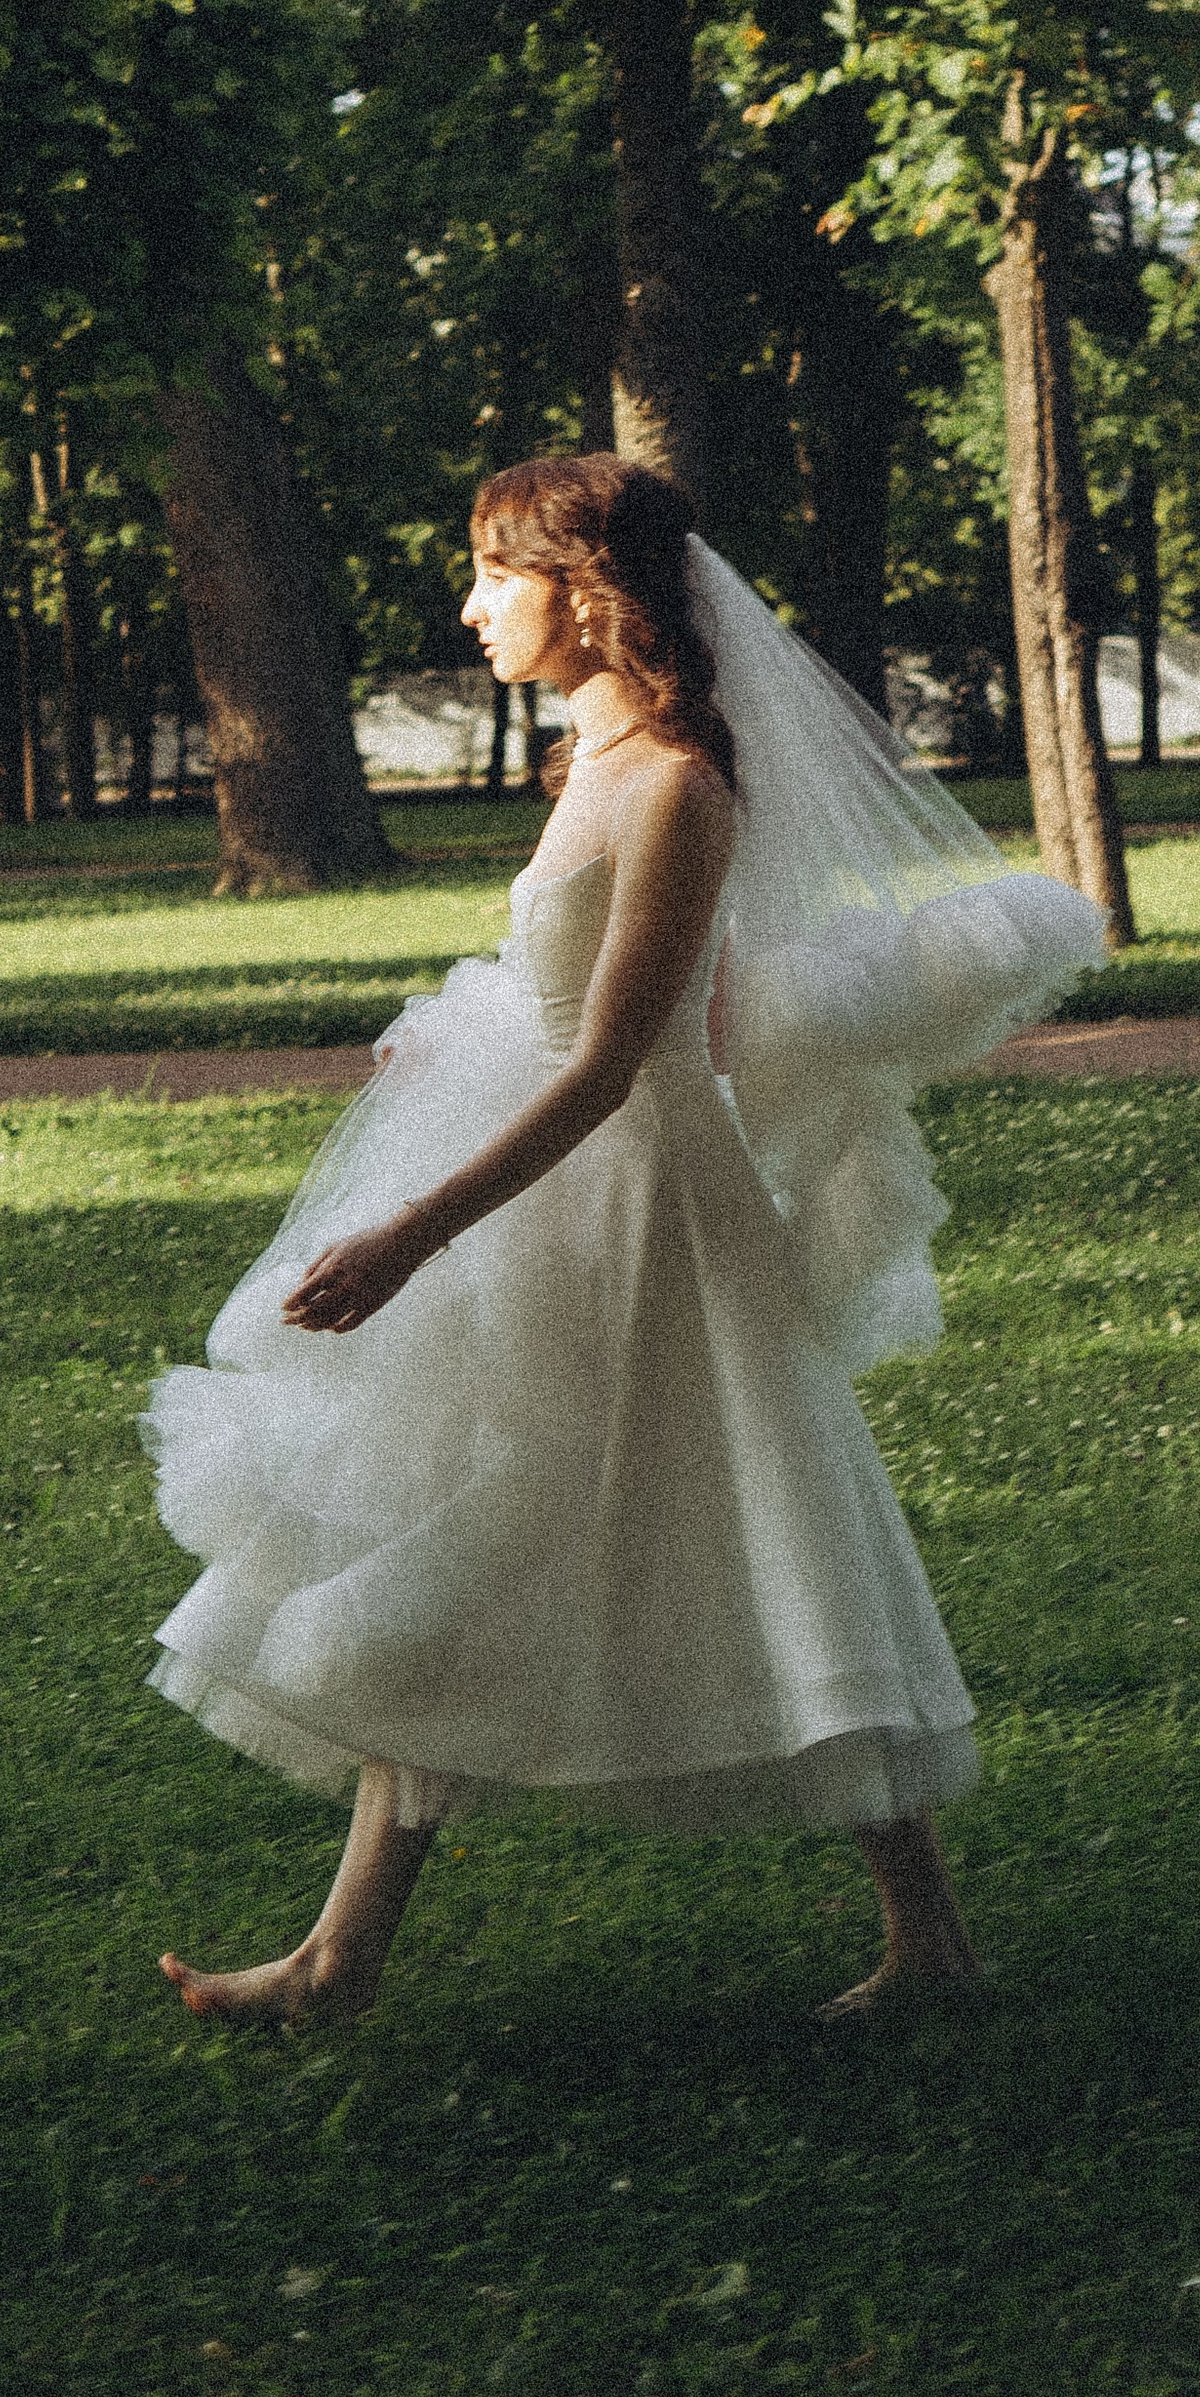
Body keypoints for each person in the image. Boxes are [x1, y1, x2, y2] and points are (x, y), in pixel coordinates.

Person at [144, 453, 1105, 2029]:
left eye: (493, 577)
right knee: (478, 1527)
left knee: (766, 1537)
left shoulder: (677, 784)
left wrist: (406, 1233)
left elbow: (613, 1069)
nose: (468, 608)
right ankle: (339, 1957)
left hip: (646, 1210)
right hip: (562, 1201)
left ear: (587, 594)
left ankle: (929, 1942)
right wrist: (455, 1041)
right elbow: (593, 1001)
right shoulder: (595, 765)